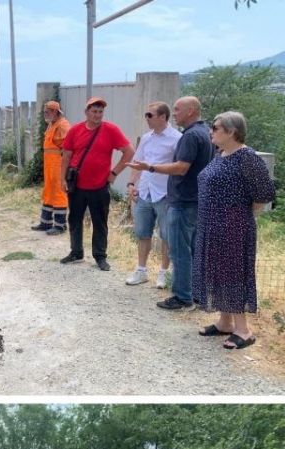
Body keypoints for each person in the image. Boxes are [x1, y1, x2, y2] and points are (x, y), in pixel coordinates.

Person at [190, 112, 276, 350]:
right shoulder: (221, 154)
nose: (211, 131)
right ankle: (225, 322)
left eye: (215, 128)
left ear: (232, 131)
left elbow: (264, 195)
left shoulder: (247, 158)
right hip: (212, 225)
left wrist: (237, 215)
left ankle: (243, 330)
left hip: (234, 228)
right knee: (217, 273)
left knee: (233, 274)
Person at [129, 95, 214, 311]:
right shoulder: (203, 133)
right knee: (189, 248)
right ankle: (196, 294)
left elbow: (181, 167)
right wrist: (133, 182)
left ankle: (182, 296)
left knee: (179, 250)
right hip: (186, 198)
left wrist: (151, 167)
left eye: (177, 109)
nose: (175, 113)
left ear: (191, 111)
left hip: (181, 200)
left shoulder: (187, 136)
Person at [58, 97, 134, 272]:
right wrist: (62, 179)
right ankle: (76, 252)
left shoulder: (111, 130)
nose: (97, 115)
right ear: (86, 112)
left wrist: (114, 173)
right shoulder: (75, 130)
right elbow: (66, 157)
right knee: (74, 219)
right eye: (94, 111)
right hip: (76, 185)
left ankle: (100, 256)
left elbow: (129, 152)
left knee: (100, 222)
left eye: (100, 112)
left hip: (99, 186)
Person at [123, 102, 180, 287]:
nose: (146, 118)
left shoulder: (176, 138)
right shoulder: (146, 138)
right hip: (145, 191)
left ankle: (164, 272)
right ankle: (141, 270)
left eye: (150, 115)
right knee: (142, 233)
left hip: (164, 193)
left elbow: (179, 167)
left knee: (166, 235)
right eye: (146, 115)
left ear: (163, 117)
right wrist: (131, 183)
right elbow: (137, 162)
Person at [31, 101, 71, 236]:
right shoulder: (52, 125)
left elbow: (68, 147)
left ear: (55, 112)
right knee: (48, 192)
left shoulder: (62, 125)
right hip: (49, 165)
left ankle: (60, 226)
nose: (45, 114)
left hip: (58, 165)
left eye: (47, 111)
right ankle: (45, 222)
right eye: (45, 111)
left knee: (59, 193)